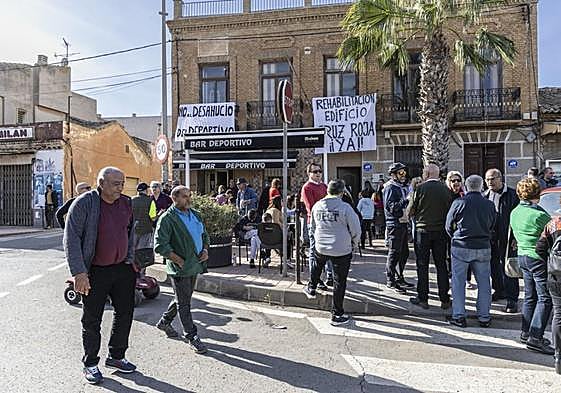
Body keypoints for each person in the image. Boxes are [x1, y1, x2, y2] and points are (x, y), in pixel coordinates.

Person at [64, 167, 137, 384]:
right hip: (94, 270)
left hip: (122, 268)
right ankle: (90, 363)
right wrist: (79, 272)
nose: (120, 187)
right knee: (92, 318)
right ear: (101, 183)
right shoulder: (85, 203)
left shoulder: (126, 203)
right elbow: (72, 238)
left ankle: (116, 356)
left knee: (125, 313)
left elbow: (130, 231)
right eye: (116, 183)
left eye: (122, 183)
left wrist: (131, 260)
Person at [154, 186, 210, 354]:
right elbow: (160, 245)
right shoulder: (167, 219)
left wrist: (205, 249)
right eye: (185, 197)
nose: (188, 199)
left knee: (183, 298)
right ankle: (191, 336)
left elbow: (204, 235)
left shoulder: (196, 215)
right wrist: (178, 260)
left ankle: (164, 321)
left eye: (189, 196)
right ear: (174, 198)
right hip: (179, 268)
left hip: (194, 265)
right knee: (184, 303)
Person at [304, 179, 361, 326]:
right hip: (341, 248)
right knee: (339, 282)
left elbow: (312, 226)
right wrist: (354, 243)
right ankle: (337, 314)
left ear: (327, 191)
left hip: (321, 246)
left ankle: (311, 286)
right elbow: (356, 228)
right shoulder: (345, 208)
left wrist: (317, 241)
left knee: (317, 265)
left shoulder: (317, 206)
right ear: (342, 193)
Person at [445, 175, 496, 328]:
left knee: (458, 282)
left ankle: (459, 316)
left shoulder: (459, 202)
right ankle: (484, 316)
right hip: (482, 245)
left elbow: (448, 225)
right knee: (484, 283)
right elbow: (492, 224)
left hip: (461, 245)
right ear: (481, 187)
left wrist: (455, 236)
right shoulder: (489, 204)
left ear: (466, 187)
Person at [510, 177, 553, 354]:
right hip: (538, 257)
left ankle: (525, 331)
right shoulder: (540, 215)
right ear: (537, 194)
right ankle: (535, 337)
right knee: (545, 298)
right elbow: (551, 236)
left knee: (530, 296)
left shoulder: (515, 212)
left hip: (522, 255)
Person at [408, 164, 452, 310]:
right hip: (441, 231)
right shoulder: (446, 189)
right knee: (441, 265)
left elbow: (411, 210)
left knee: (422, 265)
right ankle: (445, 298)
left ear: (426, 173)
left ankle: (423, 298)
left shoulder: (419, 189)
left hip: (423, 231)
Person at [484, 168, 520, 313]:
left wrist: (516, 238)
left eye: (493, 179)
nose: (490, 182)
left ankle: (512, 300)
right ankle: (499, 290)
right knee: (494, 267)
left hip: (508, 238)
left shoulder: (512, 195)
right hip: (491, 239)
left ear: (500, 178)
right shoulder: (485, 195)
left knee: (509, 269)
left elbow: (518, 217)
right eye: (487, 179)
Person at [535, 195, 561, 373]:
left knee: (558, 314)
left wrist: (550, 263)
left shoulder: (553, 224)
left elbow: (540, 248)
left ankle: (559, 355)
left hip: (556, 274)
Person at [383, 162, 413, 293]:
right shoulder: (390, 188)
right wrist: (406, 200)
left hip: (403, 223)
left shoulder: (401, 187)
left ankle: (400, 277)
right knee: (394, 253)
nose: (403, 175)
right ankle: (391, 280)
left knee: (404, 253)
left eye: (404, 172)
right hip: (394, 224)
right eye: (400, 173)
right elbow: (391, 207)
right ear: (393, 175)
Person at [301, 162, 332, 288]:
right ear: (309, 173)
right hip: (315, 224)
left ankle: (330, 275)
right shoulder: (307, 188)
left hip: (328, 223)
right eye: (315, 172)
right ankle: (316, 278)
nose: (318, 173)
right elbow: (311, 208)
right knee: (315, 252)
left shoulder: (324, 186)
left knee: (329, 250)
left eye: (319, 171)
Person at [132, 182, 157, 255]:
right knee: (142, 250)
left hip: (133, 229)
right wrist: (159, 214)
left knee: (132, 249)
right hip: (146, 229)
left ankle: (132, 265)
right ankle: (141, 266)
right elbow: (153, 218)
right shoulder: (150, 201)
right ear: (146, 190)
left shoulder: (131, 200)